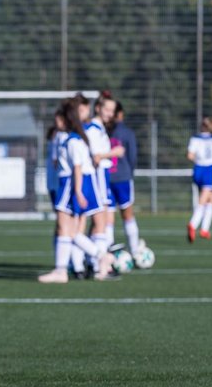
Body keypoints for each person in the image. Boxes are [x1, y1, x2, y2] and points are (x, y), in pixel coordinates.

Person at [37, 101, 108, 283]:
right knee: (67, 230)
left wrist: (77, 191)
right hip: (68, 184)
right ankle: (96, 257)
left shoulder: (74, 141)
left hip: (70, 184)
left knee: (66, 227)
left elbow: (77, 168)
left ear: (66, 119)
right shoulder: (71, 138)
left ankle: (96, 257)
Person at [75, 92, 124, 276]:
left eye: (112, 110)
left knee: (101, 222)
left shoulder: (100, 129)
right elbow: (95, 157)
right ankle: (98, 265)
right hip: (97, 176)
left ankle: (92, 263)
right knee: (99, 221)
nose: (110, 114)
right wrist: (114, 153)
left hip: (102, 177)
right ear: (98, 108)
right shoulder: (94, 130)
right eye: (107, 109)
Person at [107, 102, 149, 263]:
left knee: (108, 218)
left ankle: (109, 253)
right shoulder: (127, 132)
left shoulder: (104, 131)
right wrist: (129, 173)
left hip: (106, 179)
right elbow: (132, 157)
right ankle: (134, 251)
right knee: (128, 215)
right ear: (120, 114)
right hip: (123, 178)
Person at [187, 116, 212, 241]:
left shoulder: (195, 138)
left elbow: (190, 156)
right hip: (209, 170)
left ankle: (204, 229)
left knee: (211, 198)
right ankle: (193, 224)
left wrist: (200, 160)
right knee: (204, 198)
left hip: (198, 169)